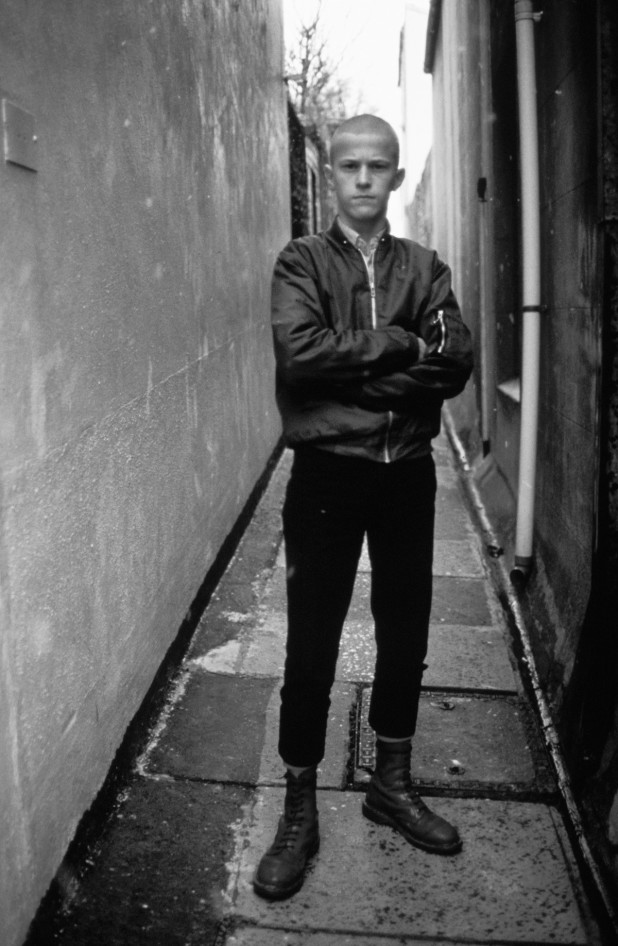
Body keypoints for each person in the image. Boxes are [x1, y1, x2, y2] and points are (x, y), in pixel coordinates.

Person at [253, 114, 473, 901]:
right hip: (328, 474)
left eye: (379, 166)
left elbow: (454, 361)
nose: (363, 178)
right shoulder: (302, 261)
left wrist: (366, 371)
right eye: (349, 165)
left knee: (405, 626)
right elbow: (301, 357)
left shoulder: (426, 267)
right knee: (312, 636)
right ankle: (299, 804)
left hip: (406, 473)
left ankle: (392, 781)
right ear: (331, 175)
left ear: (398, 177)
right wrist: (399, 345)